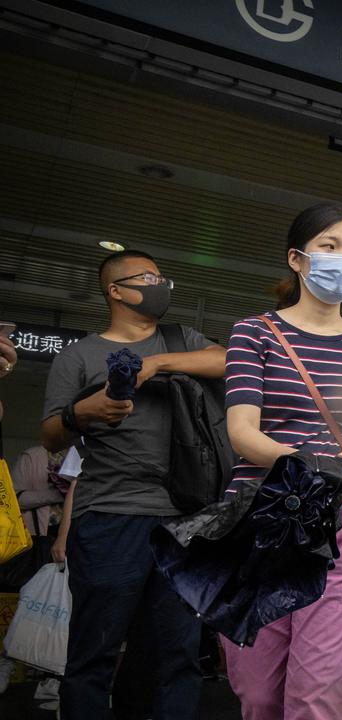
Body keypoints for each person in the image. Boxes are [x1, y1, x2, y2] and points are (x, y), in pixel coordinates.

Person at [221, 203, 342, 719]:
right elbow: (243, 433)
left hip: (339, 521)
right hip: (260, 517)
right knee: (257, 692)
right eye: (329, 247)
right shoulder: (254, 333)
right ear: (297, 260)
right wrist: (308, 463)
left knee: (317, 689)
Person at [40, 249, 226, 719]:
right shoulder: (78, 355)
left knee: (175, 655)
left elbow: (229, 362)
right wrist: (83, 412)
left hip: (182, 523)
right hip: (107, 517)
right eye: (148, 277)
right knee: (94, 653)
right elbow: (49, 435)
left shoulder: (181, 339)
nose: (160, 284)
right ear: (116, 290)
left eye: (162, 277)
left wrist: (160, 364)